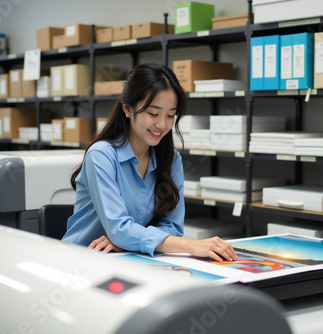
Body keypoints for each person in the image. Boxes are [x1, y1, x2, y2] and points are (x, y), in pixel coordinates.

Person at [62, 63, 237, 262]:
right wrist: (190, 245)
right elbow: (119, 229)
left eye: (170, 115)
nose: (162, 125)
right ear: (128, 109)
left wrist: (126, 241)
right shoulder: (101, 156)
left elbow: (172, 227)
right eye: (153, 114)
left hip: (132, 259)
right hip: (81, 261)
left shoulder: (172, 160)